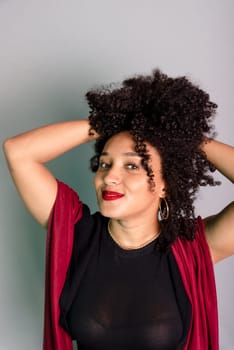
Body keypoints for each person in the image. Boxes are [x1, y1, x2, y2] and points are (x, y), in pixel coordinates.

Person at [3, 69, 234, 350]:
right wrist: (112, 123)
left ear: (165, 185)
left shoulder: (193, 248)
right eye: (104, 163)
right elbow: (18, 152)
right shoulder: (76, 234)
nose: (109, 176)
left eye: (131, 165)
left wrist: (183, 137)